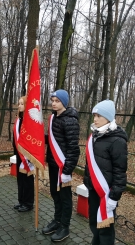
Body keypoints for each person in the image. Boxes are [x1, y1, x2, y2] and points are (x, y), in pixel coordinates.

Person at [83, 100, 128, 245]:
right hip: (93, 189)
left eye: (99, 116)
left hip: (107, 193)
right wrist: (87, 180)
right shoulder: (95, 135)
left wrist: (114, 197)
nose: (95, 119)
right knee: (94, 222)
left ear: (108, 117)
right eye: (94, 115)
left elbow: (120, 171)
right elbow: (89, 163)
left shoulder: (117, 141)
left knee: (106, 227)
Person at [42, 89, 80, 242]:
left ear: (64, 102)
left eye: (57, 101)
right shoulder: (53, 118)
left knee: (65, 197)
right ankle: (57, 221)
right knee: (55, 194)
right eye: (52, 100)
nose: (53, 103)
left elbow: (73, 148)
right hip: (52, 163)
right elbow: (52, 139)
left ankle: (65, 226)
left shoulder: (70, 121)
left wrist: (67, 171)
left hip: (63, 166)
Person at [12, 96, 35, 212]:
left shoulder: (30, 121)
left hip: (27, 156)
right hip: (19, 155)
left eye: (22, 104)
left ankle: (28, 203)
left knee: (28, 181)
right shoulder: (18, 119)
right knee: (20, 180)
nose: (19, 106)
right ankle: (21, 201)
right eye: (19, 103)